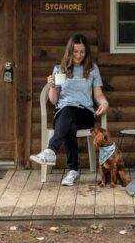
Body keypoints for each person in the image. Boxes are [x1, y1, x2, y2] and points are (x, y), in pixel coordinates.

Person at [29, 33, 109, 186]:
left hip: (84, 114)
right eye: (76, 51)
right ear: (70, 51)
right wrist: (53, 86)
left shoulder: (92, 69)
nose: (79, 55)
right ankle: (73, 171)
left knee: (68, 111)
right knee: (68, 122)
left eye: (82, 52)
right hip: (63, 114)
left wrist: (104, 103)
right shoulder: (59, 70)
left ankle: (51, 150)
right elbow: (53, 100)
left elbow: (98, 94)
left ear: (86, 53)